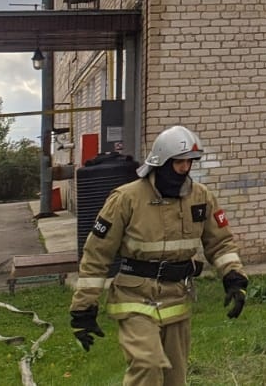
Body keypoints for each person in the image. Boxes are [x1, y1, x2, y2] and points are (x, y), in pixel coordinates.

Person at [71, 126, 249, 386]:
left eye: (189, 162)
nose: (185, 168)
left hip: (177, 297)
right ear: (161, 162)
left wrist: (234, 277)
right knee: (148, 364)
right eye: (179, 162)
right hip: (134, 298)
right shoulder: (127, 198)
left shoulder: (201, 198)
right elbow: (97, 254)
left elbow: (221, 243)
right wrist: (83, 308)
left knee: (174, 379)